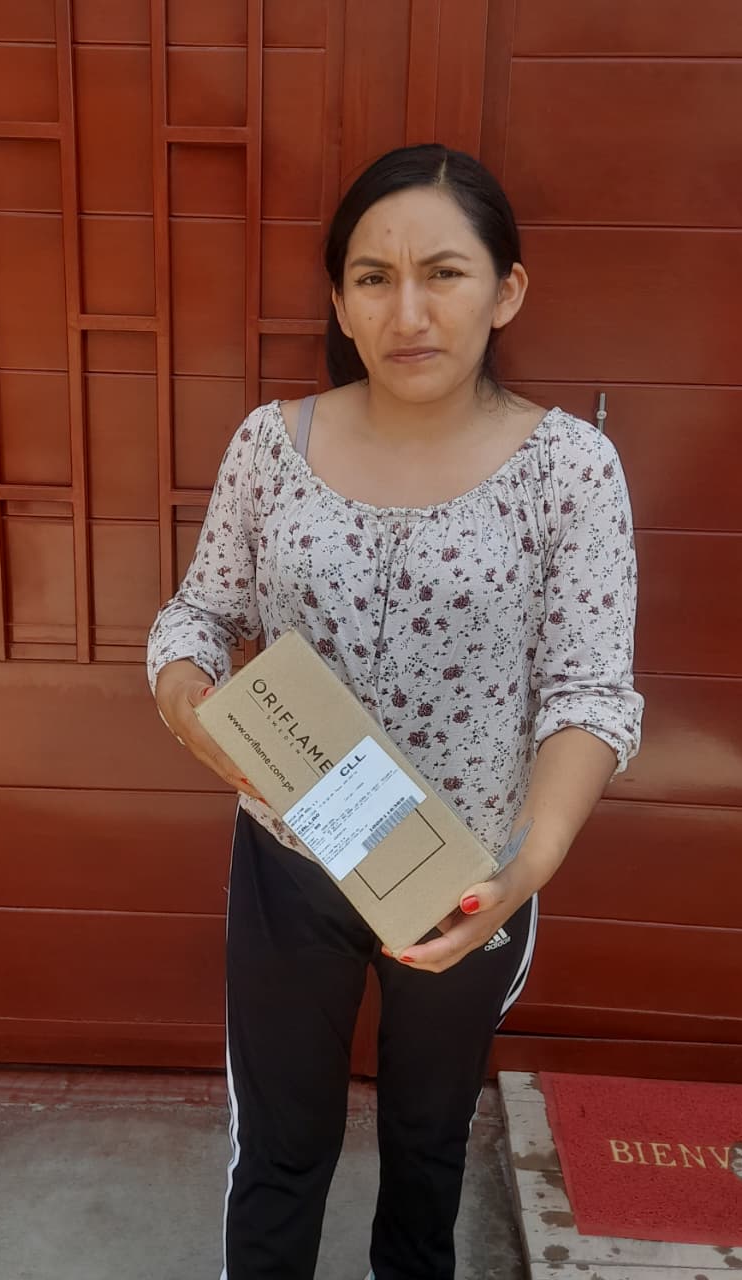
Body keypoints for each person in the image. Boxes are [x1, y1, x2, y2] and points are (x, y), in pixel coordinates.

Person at [146, 144, 643, 1280]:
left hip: (467, 873)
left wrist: (525, 867)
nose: (407, 311)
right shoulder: (272, 446)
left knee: (427, 1145)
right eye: (372, 277)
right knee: (280, 1150)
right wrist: (191, 706)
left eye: (444, 273)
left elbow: (587, 691)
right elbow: (198, 612)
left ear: (506, 290)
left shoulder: (570, 470)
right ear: (339, 300)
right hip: (290, 859)